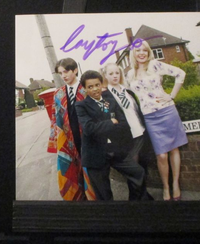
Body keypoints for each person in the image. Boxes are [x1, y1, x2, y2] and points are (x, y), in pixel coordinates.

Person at [126, 40, 188, 201]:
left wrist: (171, 95)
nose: (141, 53)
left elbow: (180, 74)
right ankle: (165, 187)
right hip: (149, 117)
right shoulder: (130, 74)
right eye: (138, 50)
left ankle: (175, 184)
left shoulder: (155, 65)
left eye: (144, 50)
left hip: (167, 111)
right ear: (133, 53)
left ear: (148, 52)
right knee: (161, 155)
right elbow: (125, 93)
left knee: (174, 149)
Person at [75, 70, 150, 201]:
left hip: (115, 151)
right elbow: (89, 129)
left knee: (138, 173)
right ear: (85, 88)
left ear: (101, 84)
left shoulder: (110, 101)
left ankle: (136, 203)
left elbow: (123, 124)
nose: (95, 89)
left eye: (97, 85)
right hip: (95, 155)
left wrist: (102, 126)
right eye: (90, 87)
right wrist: (111, 122)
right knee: (104, 195)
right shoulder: (81, 105)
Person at [101, 62, 154, 201]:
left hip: (141, 132)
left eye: (117, 73)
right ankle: (138, 198)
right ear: (105, 76)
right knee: (134, 170)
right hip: (127, 137)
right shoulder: (105, 96)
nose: (115, 76)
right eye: (111, 73)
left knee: (142, 167)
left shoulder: (127, 91)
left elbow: (136, 111)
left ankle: (141, 196)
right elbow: (107, 115)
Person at [47, 58, 87, 201]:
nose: (63, 76)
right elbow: (55, 118)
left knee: (90, 172)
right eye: (60, 73)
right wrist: (55, 140)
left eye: (66, 71)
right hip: (69, 138)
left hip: (87, 137)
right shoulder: (58, 94)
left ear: (75, 70)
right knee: (72, 170)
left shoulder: (86, 89)